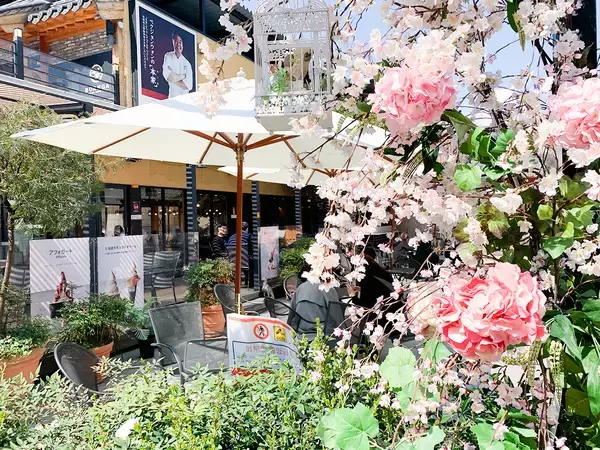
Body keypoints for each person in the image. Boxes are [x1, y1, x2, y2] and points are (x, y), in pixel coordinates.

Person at [288, 263, 343, 339]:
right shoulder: (328, 289)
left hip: (300, 334)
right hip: (324, 334)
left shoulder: (300, 288)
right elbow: (337, 317)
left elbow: (291, 314)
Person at [162, 31, 193, 98]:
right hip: (171, 98)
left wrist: (173, 79)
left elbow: (189, 86)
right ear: (173, 42)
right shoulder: (168, 56)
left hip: (184, 100)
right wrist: (183, 76)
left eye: (180, 42)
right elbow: (168, 76)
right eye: (176, 41)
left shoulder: (187, 63)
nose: (178, 44)